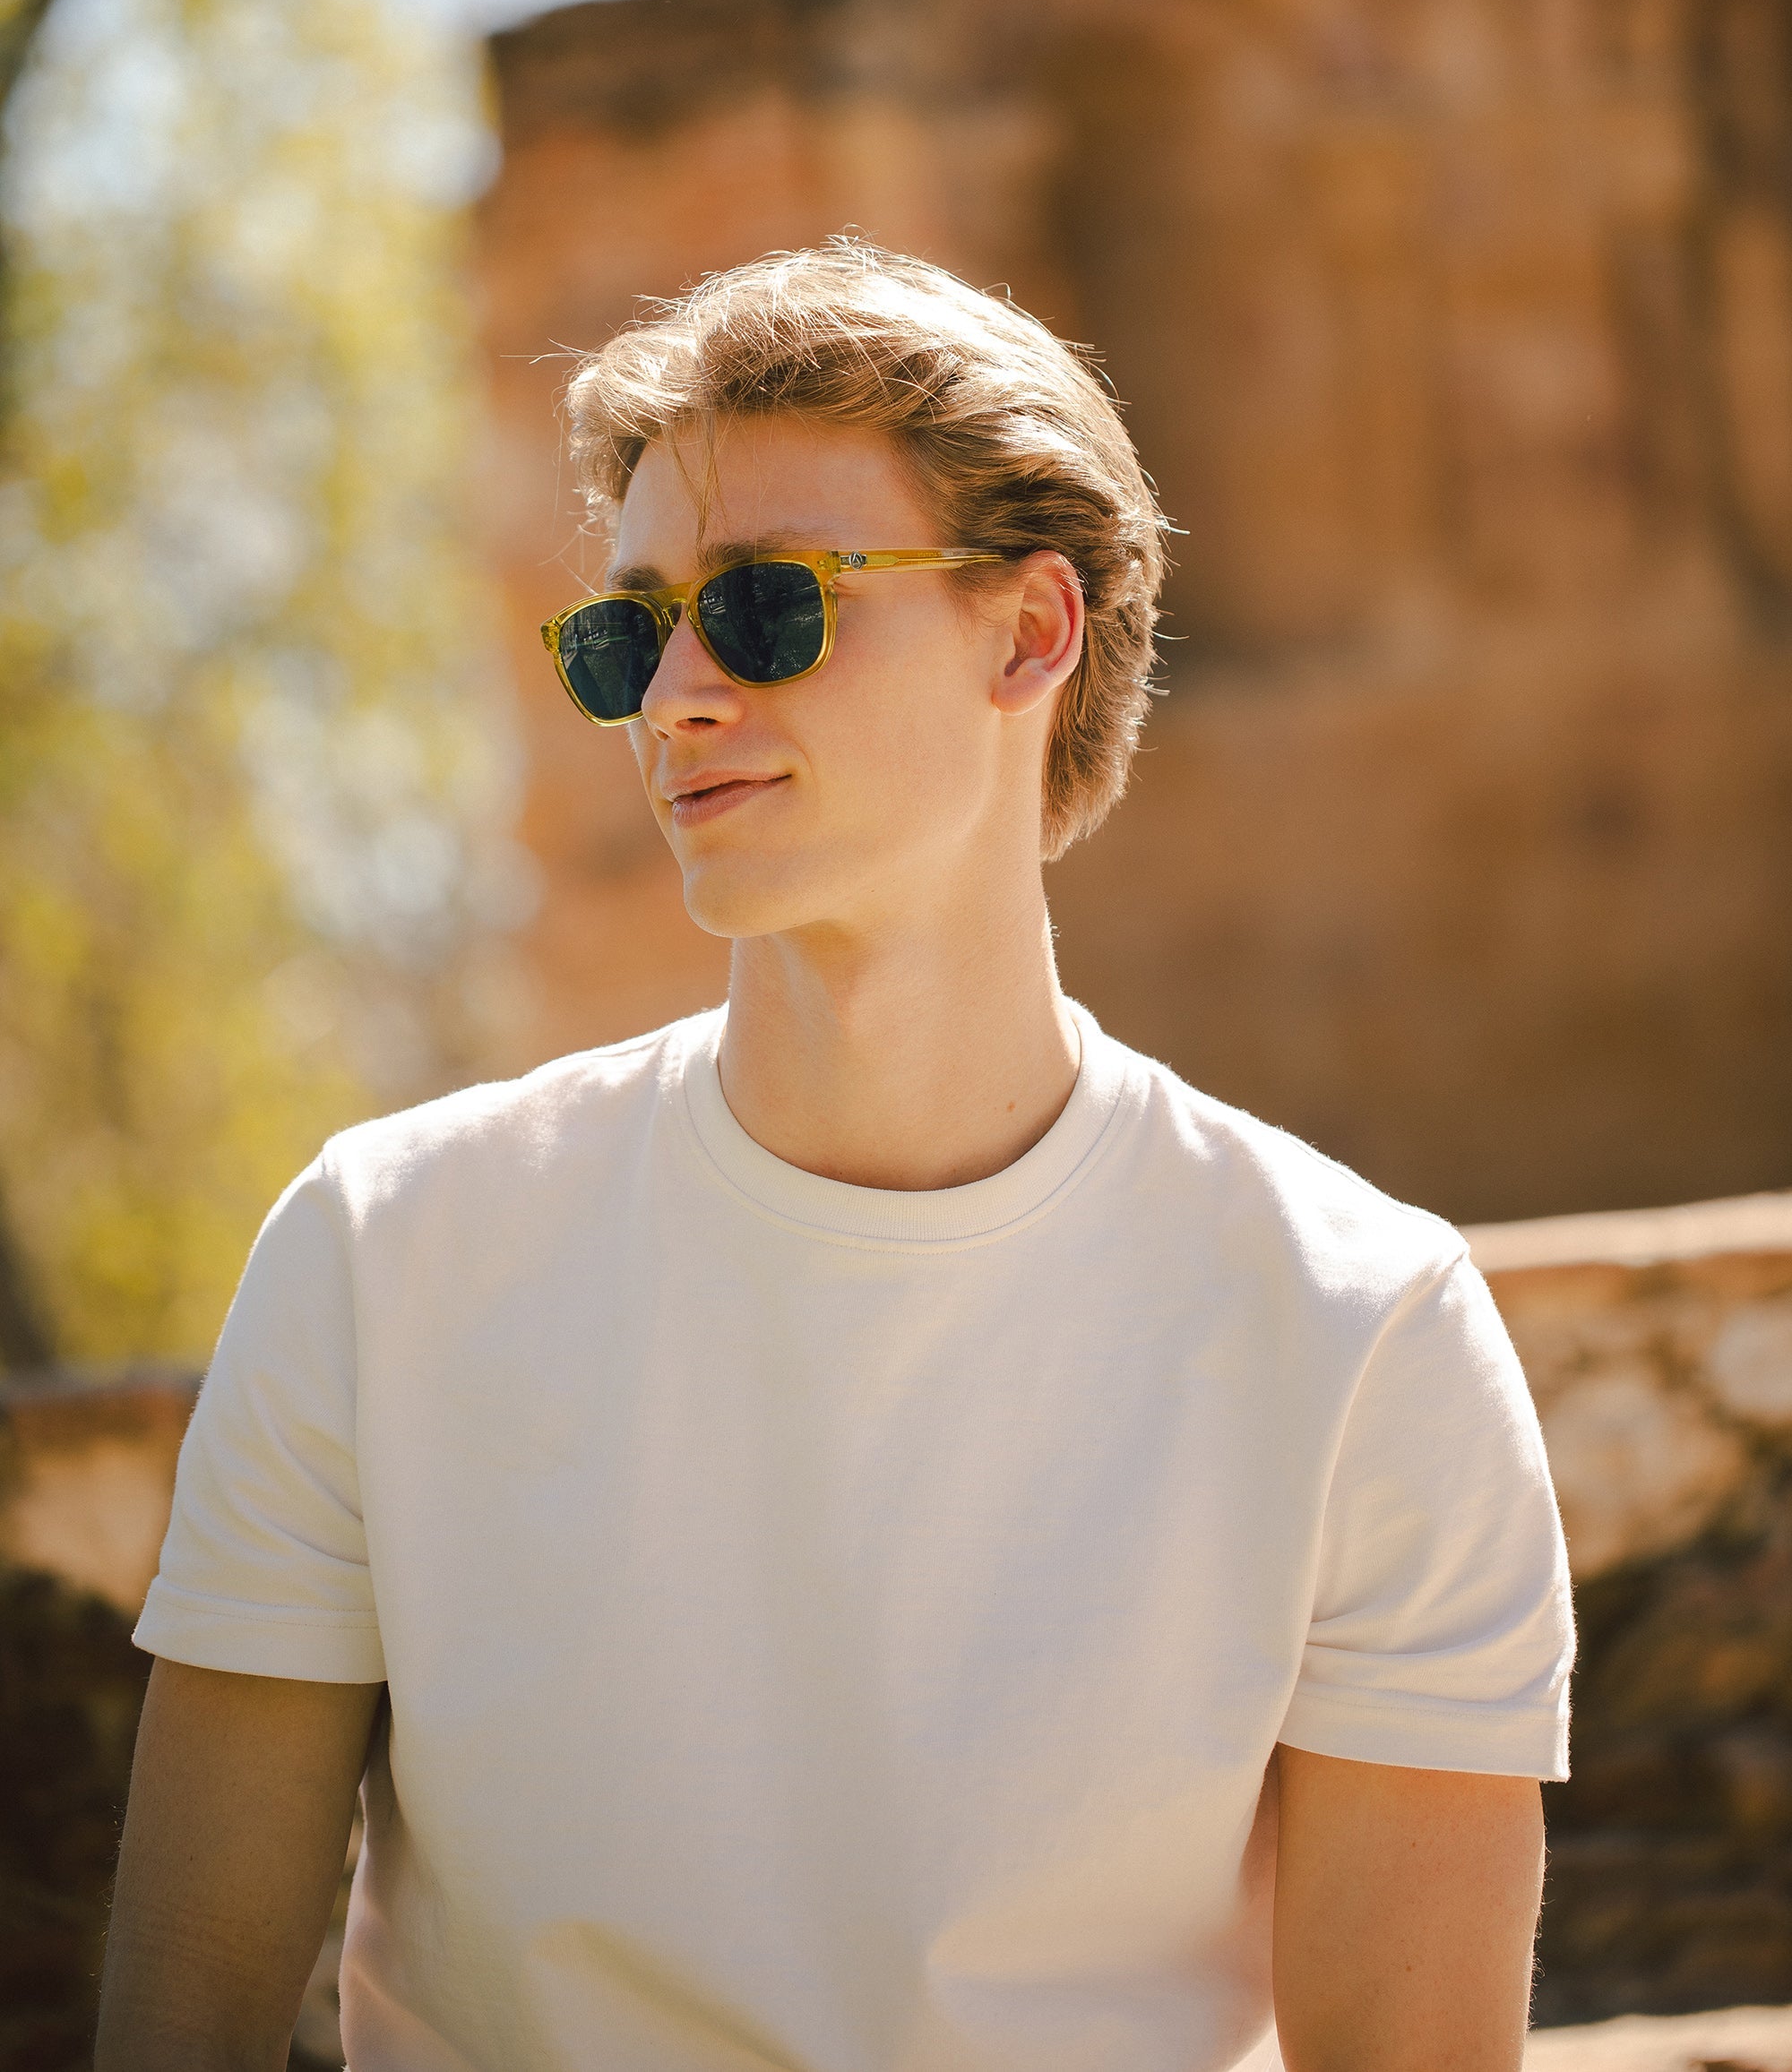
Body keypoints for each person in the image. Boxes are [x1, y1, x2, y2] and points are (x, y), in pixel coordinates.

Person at [98, 239, 1573, 2072]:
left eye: (766, 604)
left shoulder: (1366, 1334)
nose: (674, 695)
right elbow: (180, 2020)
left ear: (1028, 633)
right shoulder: (382, 1253)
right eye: (629, 633)